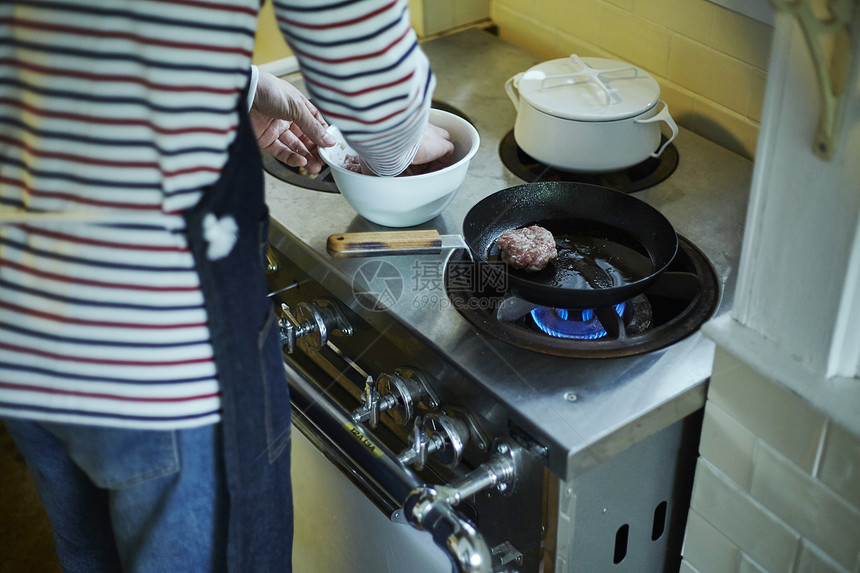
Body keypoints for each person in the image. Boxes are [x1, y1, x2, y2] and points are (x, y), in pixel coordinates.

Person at [0, 0, 452, 571]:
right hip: (154, 337)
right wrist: (407, 144)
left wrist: (238, 86)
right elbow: (361, 59)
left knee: (91, 554)